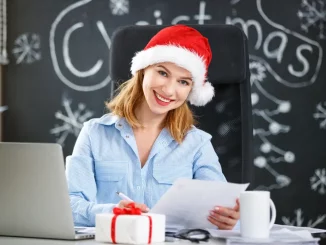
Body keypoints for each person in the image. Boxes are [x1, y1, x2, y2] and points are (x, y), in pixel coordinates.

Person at [65, 24, 240, 230]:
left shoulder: (197, 144)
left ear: (192, 90)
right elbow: (70, 206)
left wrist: (230, 219)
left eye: (183, 82)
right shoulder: (94, 134)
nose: (168, 90)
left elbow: (222, 209)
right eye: (163, 73)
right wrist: (113, 213)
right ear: (143, 70)